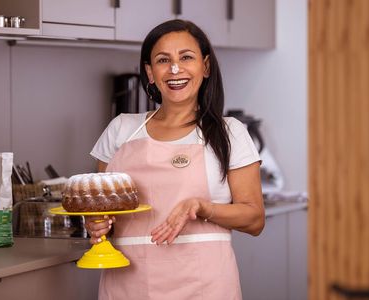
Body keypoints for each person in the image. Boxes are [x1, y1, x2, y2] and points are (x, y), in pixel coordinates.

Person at [87, 19, 265, 300]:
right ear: (149, 72)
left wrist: (202, 207)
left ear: (205, 67)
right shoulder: (121, 129)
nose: (174, 69)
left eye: (186, 57)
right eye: (162, 60)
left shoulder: (229, 132)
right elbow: (98, 209)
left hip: (204, 284)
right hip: (128, 282)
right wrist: (97, 225)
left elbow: (254, 218)